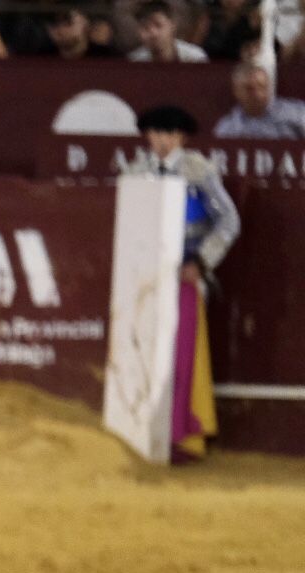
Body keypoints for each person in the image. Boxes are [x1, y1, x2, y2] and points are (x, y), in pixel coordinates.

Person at [124, 106, 240, 459]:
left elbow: (228, 221)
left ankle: (181, 436)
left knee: (181, 355)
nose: (162, 141)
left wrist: (201, 262)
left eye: (169, 134)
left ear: (182, 137)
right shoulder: (135, 172)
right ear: (147, 136)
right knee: (141, 354)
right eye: (156, 133)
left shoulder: (198, 171)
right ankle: (140, 435)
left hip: (183, 275)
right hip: (144, 279)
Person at [213, 61, 305, 138]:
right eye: (249, 89)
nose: (257, 94)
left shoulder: (297, 113)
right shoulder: (228, 128)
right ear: (236, 91)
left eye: (261, 87)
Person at [129, 0, 208, 60]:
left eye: (158, 25)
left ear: (173, 25)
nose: (153, 33)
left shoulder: (195, 58)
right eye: (145, 27)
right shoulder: (135, 60)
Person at [35, 4, 119, 58]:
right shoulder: (38, 57)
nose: (60, 28)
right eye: (53, 22)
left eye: (68, 22)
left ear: (85, 23)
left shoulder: (105, 57)